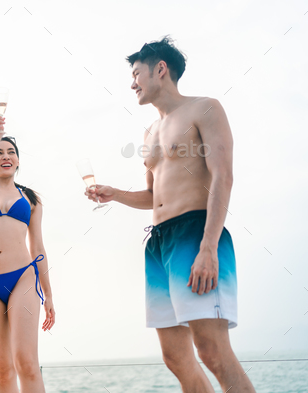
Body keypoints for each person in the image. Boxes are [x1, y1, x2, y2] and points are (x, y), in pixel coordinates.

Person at [86, 37, 255, 392]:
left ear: (160, 69)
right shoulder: (149, 133)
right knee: (176, 358)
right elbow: (153, 195)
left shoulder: (205, 108)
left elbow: (224, 176)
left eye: (136, 74)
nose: (132, 83)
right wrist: (114, 194)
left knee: (212, 352)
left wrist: (208, 247)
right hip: (158, 242)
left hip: (196, 234)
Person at [0, 116, 55, 393]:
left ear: (18, 161)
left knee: (26, 362)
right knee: (3, 371)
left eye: (11, 152)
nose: (6, 156)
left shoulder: (31, 199)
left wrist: (49, 294)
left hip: (23, 278)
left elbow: (38, 248)